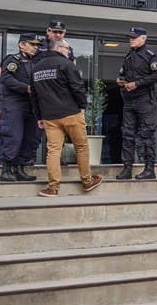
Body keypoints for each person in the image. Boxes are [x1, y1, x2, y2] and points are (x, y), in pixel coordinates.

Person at [31, 38, 103, 197]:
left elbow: (34, 96)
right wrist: (83, 106)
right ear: (58, 48)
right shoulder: (67, 64)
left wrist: (38, 116)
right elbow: (78, 87)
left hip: (49, 116)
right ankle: (87, 181)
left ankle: (53, 187)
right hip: (71, 113)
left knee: (53, 151)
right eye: (67, 48)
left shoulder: (36, 68)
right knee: (81, 147)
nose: (69, 52)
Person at [114, 27, 157, 180]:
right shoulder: (128, 56)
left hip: (145, 100)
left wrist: (137, 83)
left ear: (143, 39)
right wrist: (120, 81)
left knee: (147, 134)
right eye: (130, 37)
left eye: (134, 37)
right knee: (127, 134)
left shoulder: (151, 56)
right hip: (129, 100)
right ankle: (127, 168)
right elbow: (122, 74)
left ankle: (149, 169)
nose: (131, 39)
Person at [0, 32, 41, 183]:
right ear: (22, 45)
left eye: (37, 45)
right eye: (32, 44)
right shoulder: (13, 59)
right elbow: (6, 78)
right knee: (13, 136)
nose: (35, 48)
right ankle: (6, 169)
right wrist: (26, 88)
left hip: (31, 106)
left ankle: (20, 169)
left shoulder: (35, 63)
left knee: (29, 138)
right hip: (15, 104)